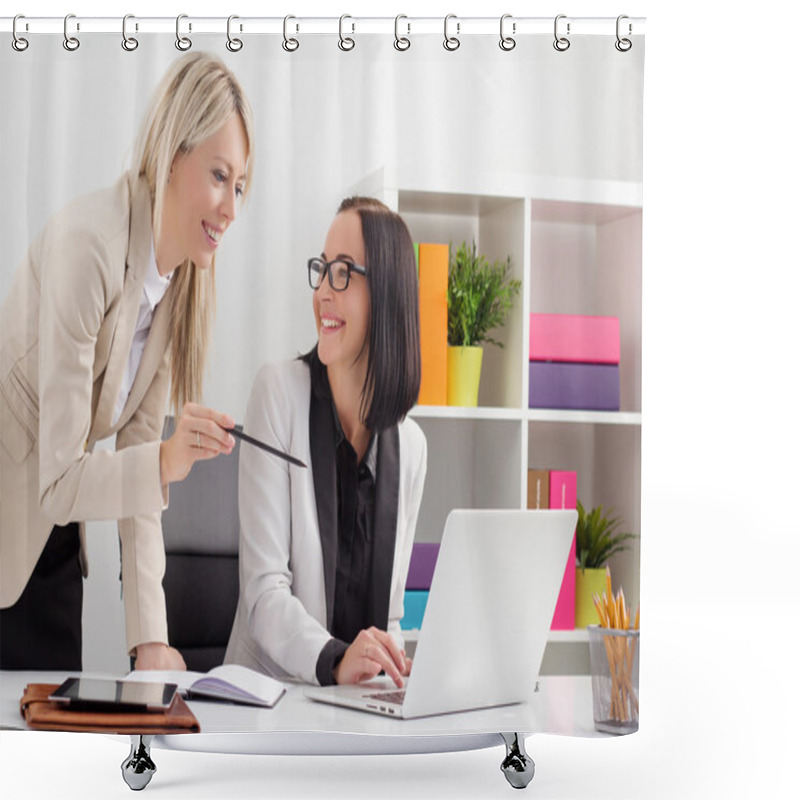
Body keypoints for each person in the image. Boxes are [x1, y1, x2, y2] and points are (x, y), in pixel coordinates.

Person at [0, 52, 255, 672]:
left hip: (55, 543)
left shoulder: (172, 289)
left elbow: (141, 465)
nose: (230, 208)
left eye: (240, 186)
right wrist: (168, 458)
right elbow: (63, 480)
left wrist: (151, 641)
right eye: (219, 176)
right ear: (172, 157)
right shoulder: (88, 247)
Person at [225, 197, 426, 687]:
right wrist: (337, 660)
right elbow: (265, 593)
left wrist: (391, 665)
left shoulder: (412, 446)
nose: (321, 293)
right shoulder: (277, 393)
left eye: (342, 273)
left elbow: (391, 618)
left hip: (355, 711)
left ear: (387, 295)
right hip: (271, 703)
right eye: (322, 270)